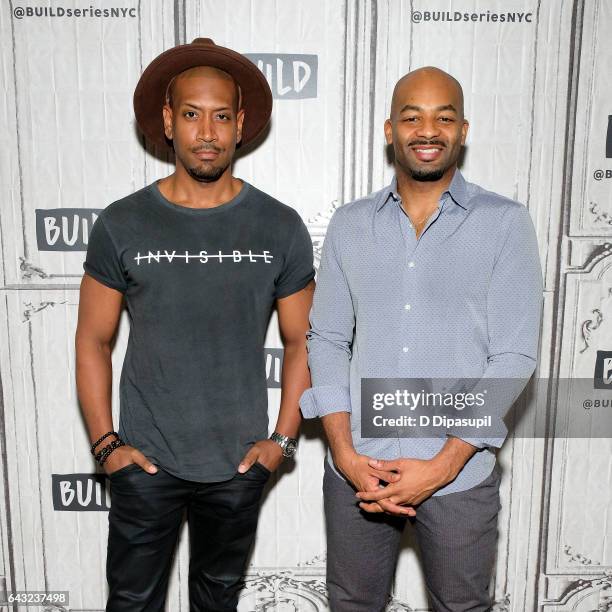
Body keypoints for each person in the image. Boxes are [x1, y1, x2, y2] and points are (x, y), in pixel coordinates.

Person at [75, 38, 315, 612]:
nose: (206, 132)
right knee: (131, 601)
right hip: (144, 461)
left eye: (221, 116)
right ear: (167, 121)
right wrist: (107, 445)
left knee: (218, 601)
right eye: (191, 114)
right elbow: (93, 338)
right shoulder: (121, 223)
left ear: (241, 124)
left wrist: (280, 441)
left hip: (236, 466)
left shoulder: (279, 226)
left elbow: (304, 339)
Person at [299, 66, 543, 611]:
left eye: (443, 117)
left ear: (463, 130)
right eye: (412, 117)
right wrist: (344, 452)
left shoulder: (504, 223)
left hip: (457, 474)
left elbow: (513, 356)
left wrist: (444, 464)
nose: (427, 130)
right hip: (360, 469)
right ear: (390, 130)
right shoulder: (350, 224)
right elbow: (328, 338)